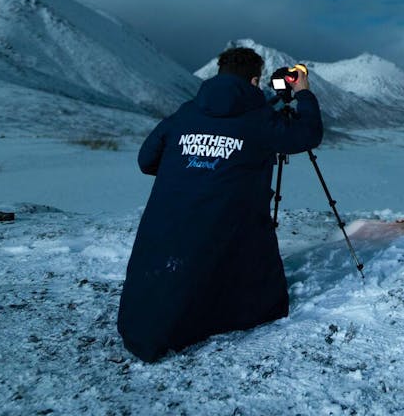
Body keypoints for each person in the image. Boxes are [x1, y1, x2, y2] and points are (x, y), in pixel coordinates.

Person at [117, 46, 323, 363]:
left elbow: (147, 161)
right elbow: (307, 134)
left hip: (164, 229)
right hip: (224, 228)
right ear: (255, 81)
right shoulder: (260, 120)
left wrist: (192, 164)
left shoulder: (185, 113)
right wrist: (304, 94)